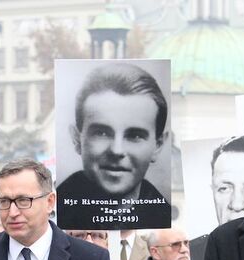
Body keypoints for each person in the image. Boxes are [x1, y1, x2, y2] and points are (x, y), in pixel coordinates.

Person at [56, 62, 170, 230]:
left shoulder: (168, 221)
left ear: (157, 146)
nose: (117, 150)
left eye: (135, 136)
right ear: (77, 139)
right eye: (102, 133)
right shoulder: (50, 217)